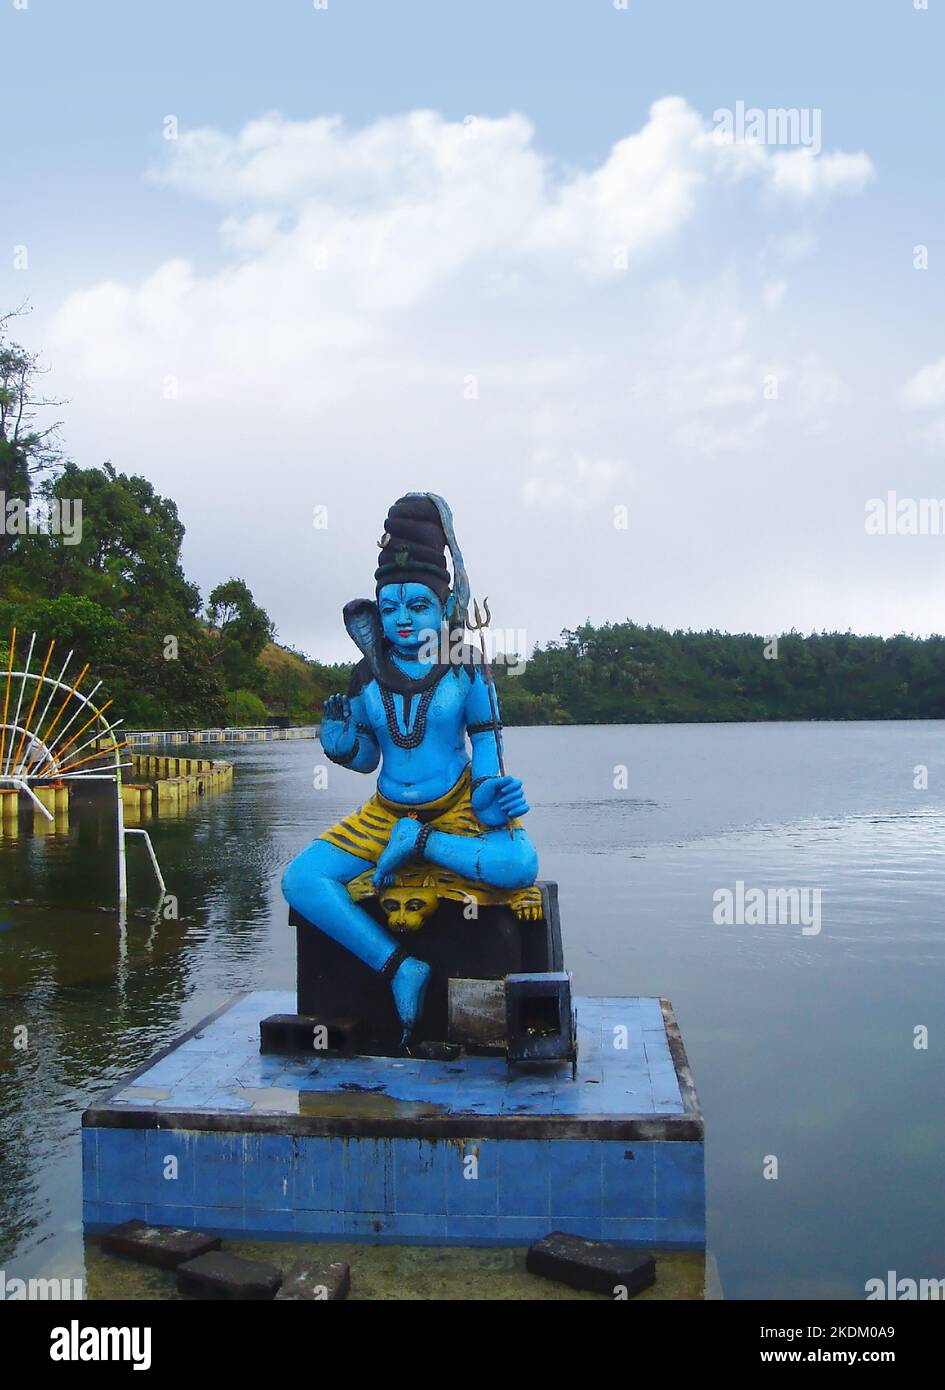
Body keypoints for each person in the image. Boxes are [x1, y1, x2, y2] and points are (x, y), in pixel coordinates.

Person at [281, 493, 539, 1043]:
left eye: (417, 606)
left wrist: (490, 797)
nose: (402, 619)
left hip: (456, 807)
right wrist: (342, 748)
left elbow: (487, 746)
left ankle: (420, 842)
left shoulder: (468, 669)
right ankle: (398, 966)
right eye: (391, 606)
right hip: (386, 809)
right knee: (301, 879)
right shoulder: (366, 674)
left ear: (443, 608)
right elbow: (372, 756)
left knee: (518, 864)